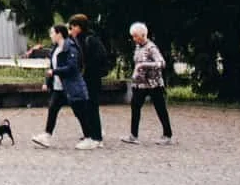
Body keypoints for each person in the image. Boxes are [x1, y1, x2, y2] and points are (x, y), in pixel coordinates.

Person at [33, 24, 97, 148]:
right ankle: (47, 135)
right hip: (59, 88)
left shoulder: (70, 47)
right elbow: (51, 67)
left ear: (59, 34)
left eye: (52, 33)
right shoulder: (55, 49)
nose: (51, 36)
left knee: (80, 113)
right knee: (52, 109)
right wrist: (47, 82)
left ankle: (89, 138)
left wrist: (54, 72)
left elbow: (72, 67)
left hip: (71, 87)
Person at [121, 21, 174, 144]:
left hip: (154, 84)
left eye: (135, 36)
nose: (133, 39)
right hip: (140, 84)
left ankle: (167, 135)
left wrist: (143, 65)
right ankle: (133, 135)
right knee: (135, 107)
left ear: (143, 34)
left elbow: (161, 63)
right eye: (133, 36)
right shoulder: (138, 47)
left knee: (160, 108)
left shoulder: (151, 47)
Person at [68, 13, 111, 143]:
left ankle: (96, 136)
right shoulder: (79, 40)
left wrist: (88, 71)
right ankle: (92, 133)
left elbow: (98, 58)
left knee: (92, 106)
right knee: (87, 106)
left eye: (72, 27)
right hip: (86, 78)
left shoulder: (90, 40)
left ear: (79, 27)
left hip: (91, 79)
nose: (70, 30)